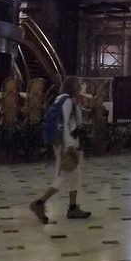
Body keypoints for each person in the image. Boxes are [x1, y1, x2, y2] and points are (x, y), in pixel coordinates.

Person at [29, 76, 91, 223]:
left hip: (68, 142)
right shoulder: (67, 101)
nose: (81, 87)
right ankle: (39, 203)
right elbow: (64, 123)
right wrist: (69, 145)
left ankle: (73, 208)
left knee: (76, 176)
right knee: (64, 177)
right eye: (78, 85)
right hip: (66, 144)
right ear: (73, 87)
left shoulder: (65, 100)